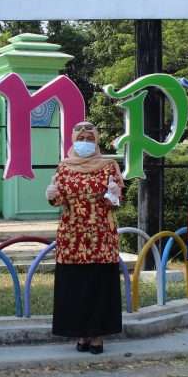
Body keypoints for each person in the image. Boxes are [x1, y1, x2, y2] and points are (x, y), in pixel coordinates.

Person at [46, 121, 124, 354]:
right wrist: (51, 196)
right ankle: (80, 333)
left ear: (97, 141)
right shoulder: (64, 167)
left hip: (101, 236)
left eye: (90, 139)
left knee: (99, 285)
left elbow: (117, 201)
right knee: (75, 286)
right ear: (72, 140)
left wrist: (113, 194)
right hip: (73, 237)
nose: (85, 143)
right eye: (81, 139)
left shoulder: (109, 166)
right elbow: (58, 199)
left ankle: (98, 335)